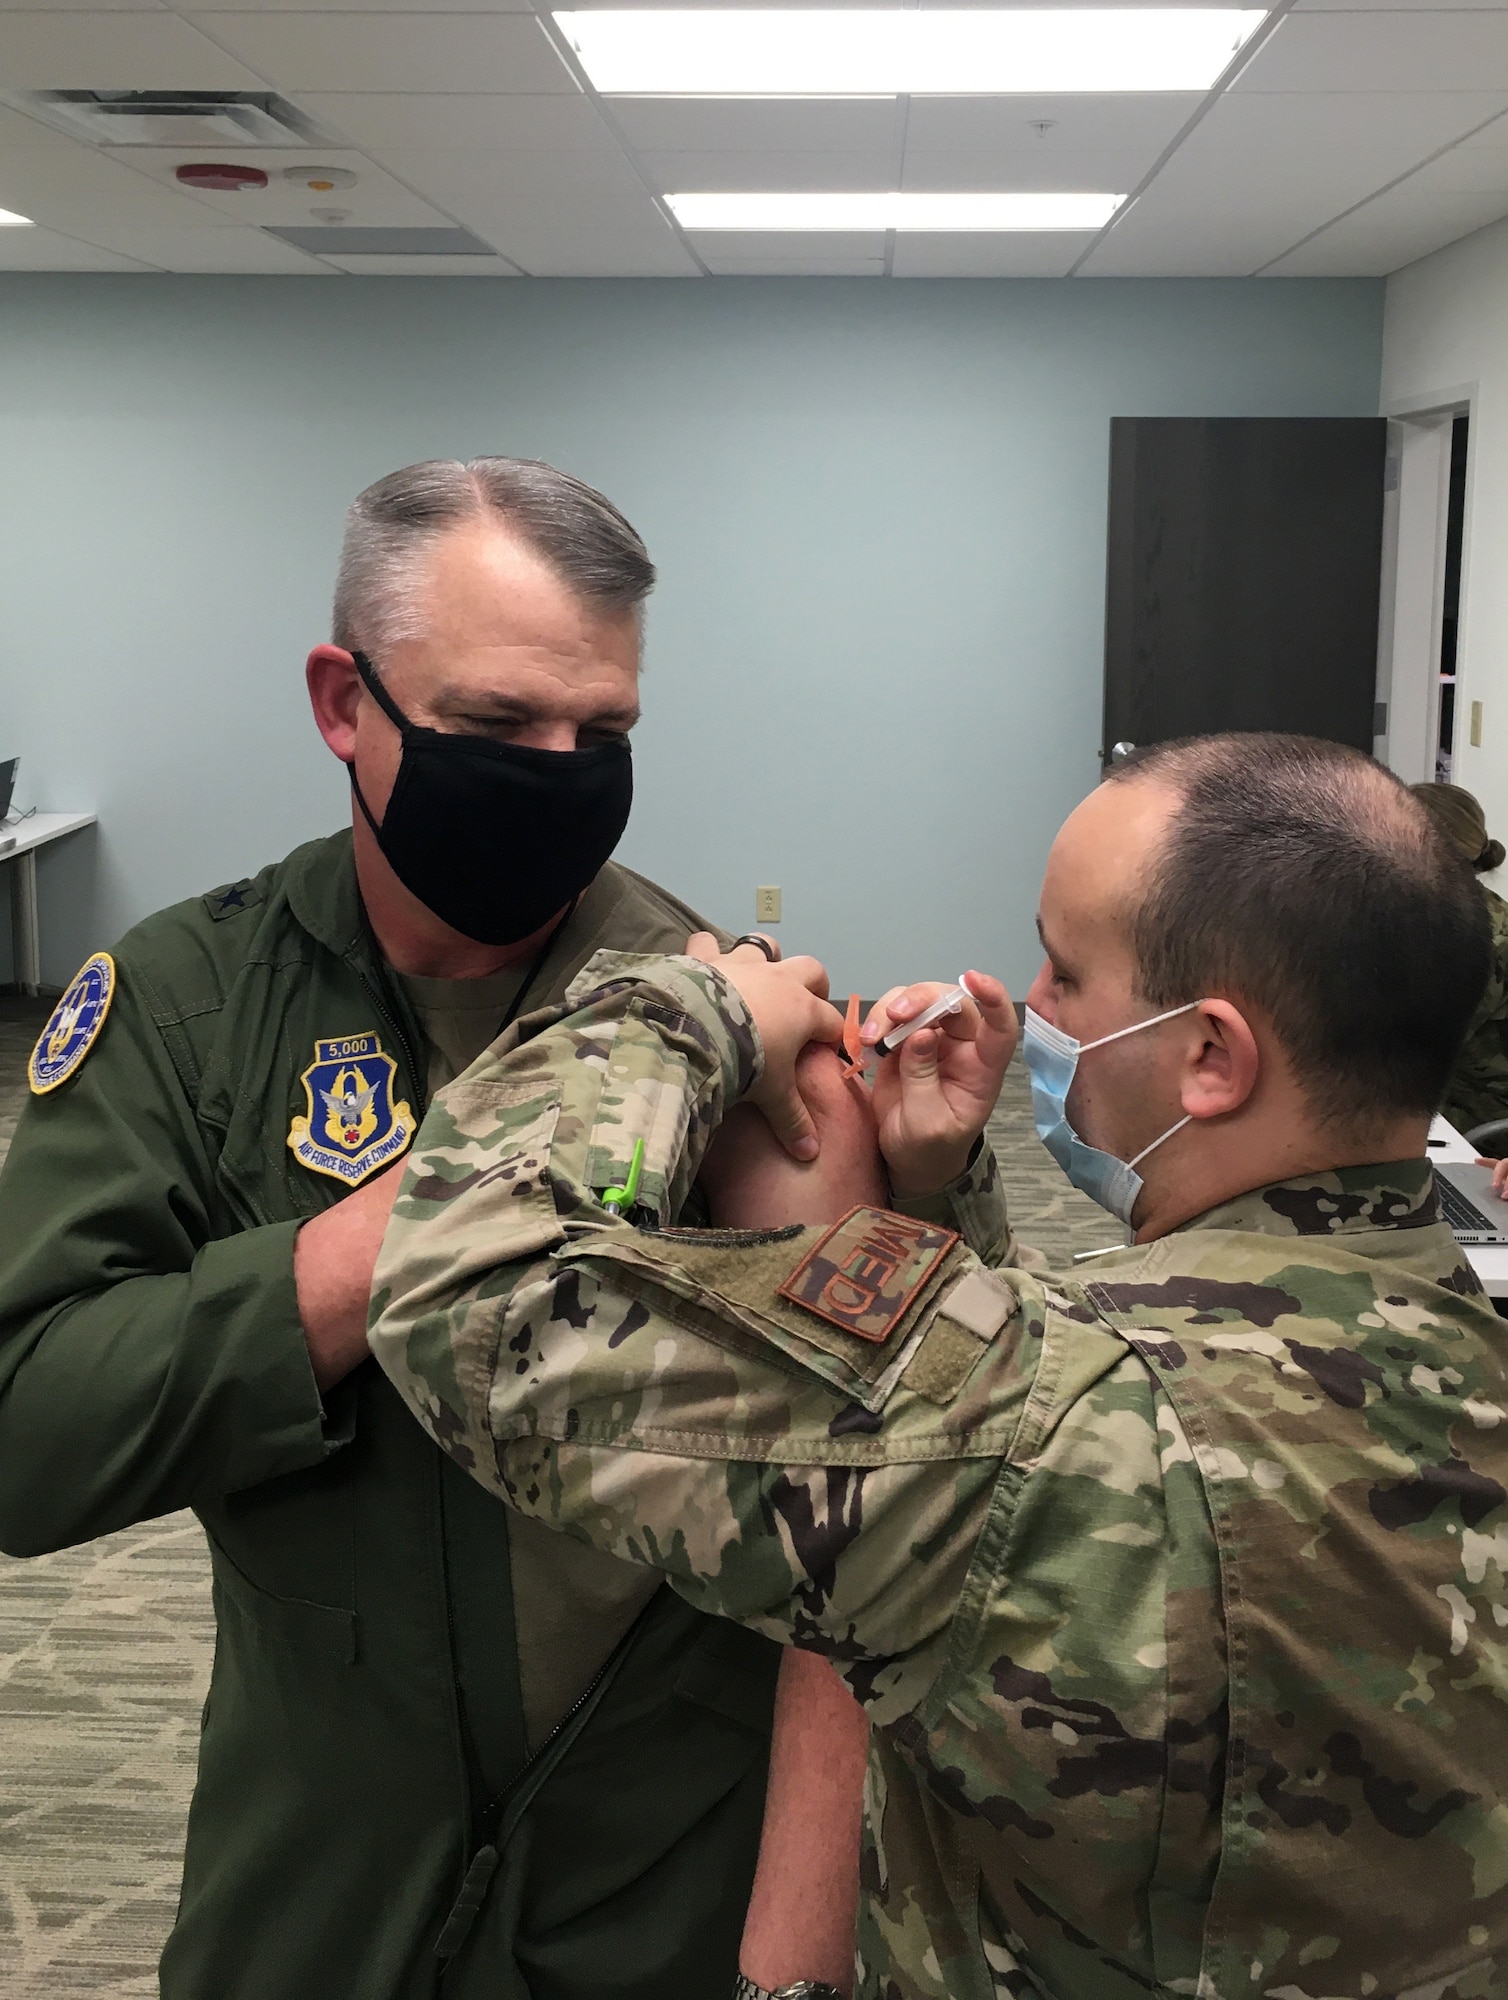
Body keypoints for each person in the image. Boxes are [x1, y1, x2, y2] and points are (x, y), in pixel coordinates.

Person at [368, 732, 1508, 1999]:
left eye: (1068, 973)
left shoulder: (1051, 1425)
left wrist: (692, 1009)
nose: (1032, 1003)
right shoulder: (1451, 1341)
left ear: (1210, 1056)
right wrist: (932, 1196)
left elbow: (469, 1295)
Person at [0, 456, 850, 1999]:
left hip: (662, 1870)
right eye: (495, 726)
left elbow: (864, 1514)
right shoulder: (189, 1010)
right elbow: (26, 1427)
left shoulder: (719, 1009)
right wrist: (414, 1227)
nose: (561, 767)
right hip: (327, 1863)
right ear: (345, 703)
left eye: (605, 733)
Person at [1411, 782, 1508, 1144]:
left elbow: (1423, 1043)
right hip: (1438, 1093)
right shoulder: (1436, 913)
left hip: (1476, 1111)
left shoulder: (1486, 938)